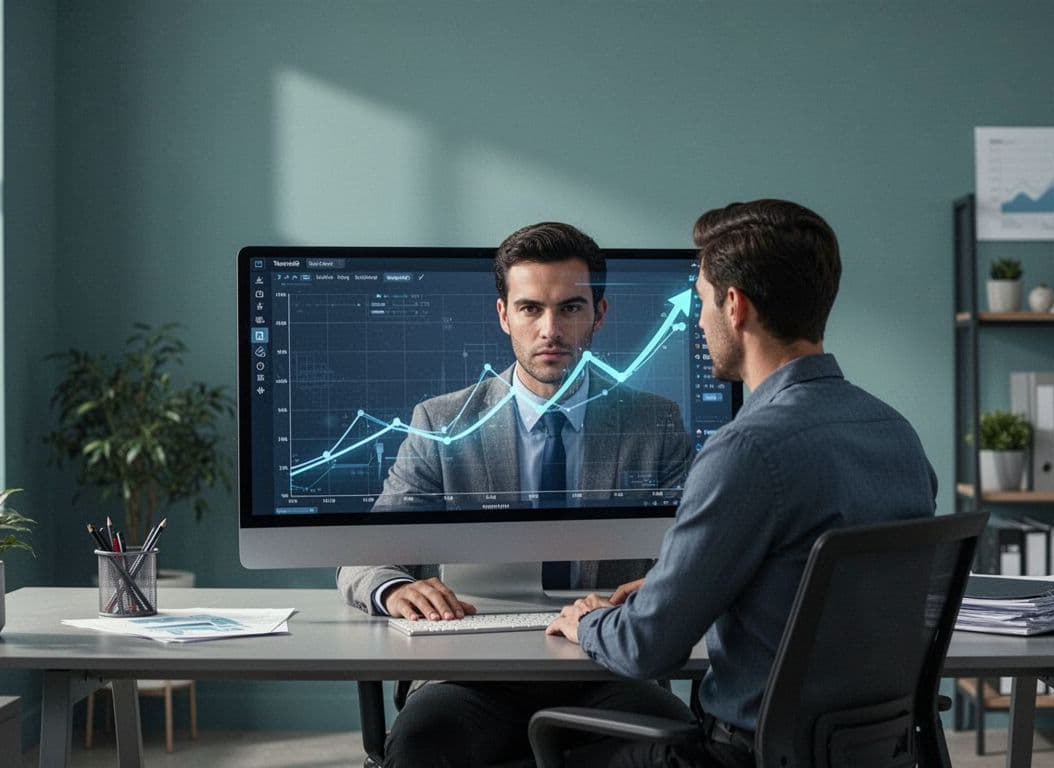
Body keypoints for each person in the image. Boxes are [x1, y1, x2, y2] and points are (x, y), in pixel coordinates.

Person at [546, 199, 939, 767]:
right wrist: (671, 591)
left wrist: (589, 622)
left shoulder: (746, 449)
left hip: (742, 755)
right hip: (869, 751)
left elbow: (645, 650)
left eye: (702, 301)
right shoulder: (896, 433)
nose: (698, 321)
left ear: (735, 306)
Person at [337, 221, 695, 768]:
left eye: (571, 308)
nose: (550, 329)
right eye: (530, 309)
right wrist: (391, 589)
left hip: (603, 665)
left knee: (675, 745)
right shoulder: (440, 422)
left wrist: (658, 587)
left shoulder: (656, 423)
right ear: (503, 315)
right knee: (420, 747)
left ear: (599, 315)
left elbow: (690, 558)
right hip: (473, 673)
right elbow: (363, 558)